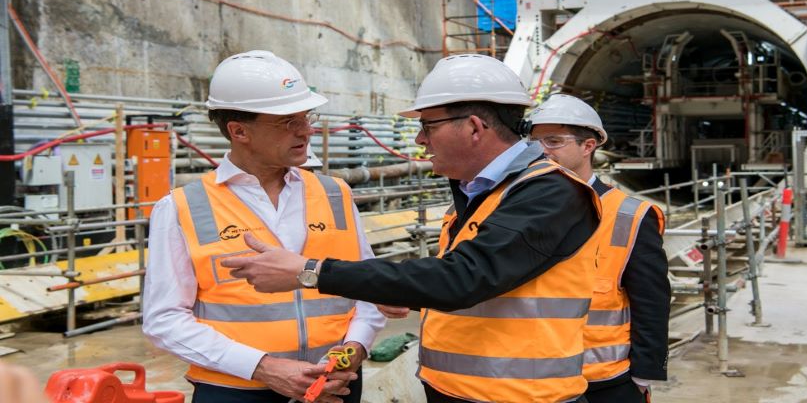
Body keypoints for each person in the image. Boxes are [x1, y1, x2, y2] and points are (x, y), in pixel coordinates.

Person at [223, 54, 603, 403]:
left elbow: (463, 278)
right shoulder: (481, 190)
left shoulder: (549, 192)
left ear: (473, 127)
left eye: (427, 126)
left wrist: (310, 272)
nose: (420, 140)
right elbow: (484, 278)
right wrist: (406, 290)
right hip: (460, 391)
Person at [142, 50, 385, 403]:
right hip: (235, 391)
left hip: (334, 386)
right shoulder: (182, 208)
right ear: (239, 131)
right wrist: (263, 367)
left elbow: (368, 286)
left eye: (306, 116)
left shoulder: (335, 194)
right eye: (288, 121)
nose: (307, 129)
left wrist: (357, 346)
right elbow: (163, 320)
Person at [529, 94, 670, 403]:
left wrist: (645, 370)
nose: (540, 150)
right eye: (534, 141)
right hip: (533, 376)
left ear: (588, 146)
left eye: (553, 141)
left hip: (603, 379)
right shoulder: (518, 208)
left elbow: (651, 299)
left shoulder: (629, 214)